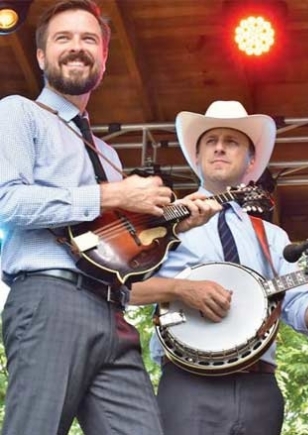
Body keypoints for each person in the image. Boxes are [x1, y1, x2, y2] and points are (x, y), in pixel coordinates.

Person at [0, 1, 218, 434]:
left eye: (89, 39)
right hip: (49, 298)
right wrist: (112, 193)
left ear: (103, 57)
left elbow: (115, 246)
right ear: (41, 56)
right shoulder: (17, 112)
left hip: (113, 309)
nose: (76, 48)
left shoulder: (109, 154)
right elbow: (8, 203)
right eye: (63, 38)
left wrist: (174, 226)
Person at [130, 100, 308, 435]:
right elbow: (122, 289)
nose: (220, 147)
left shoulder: (273, 236)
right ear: (198, 156)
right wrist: (180, 289)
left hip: (260, 387)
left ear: (251, 163)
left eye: (231, 141)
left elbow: (302, 310)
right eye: (211, 141)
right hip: (188, 385)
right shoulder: (164, 221)